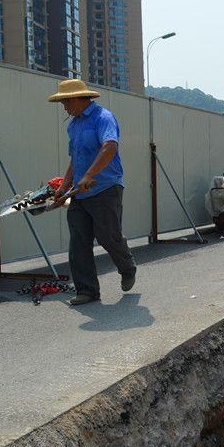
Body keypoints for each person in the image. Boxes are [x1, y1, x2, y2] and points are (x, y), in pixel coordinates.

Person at [49, 79, 137, 305]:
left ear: (77, 98)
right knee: (78, 242)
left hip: (105, 187)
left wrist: (90, 175)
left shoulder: (103, 118)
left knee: (108, 236)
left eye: (65, 102)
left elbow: (110, 147)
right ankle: (87, 291)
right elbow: (74, 158)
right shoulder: (74, 124)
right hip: (80, 192)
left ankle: (127, 267)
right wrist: (65, 186)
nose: (64, 107)